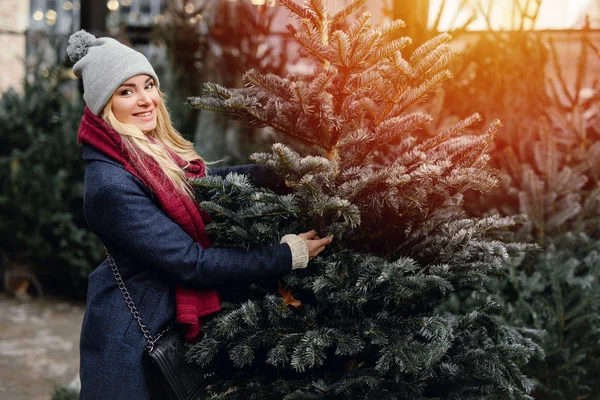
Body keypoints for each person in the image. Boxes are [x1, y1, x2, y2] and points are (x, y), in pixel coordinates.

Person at [66, 30, 333, 400]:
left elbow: (201, 183)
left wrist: (276, 171)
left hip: (163, 317)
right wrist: (287, 255)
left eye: (148, 85)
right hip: (132, 340)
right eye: (126, 91)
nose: (146, 100)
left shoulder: (145, 151)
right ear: (104, 105)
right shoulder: (110, 184)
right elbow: (193, 263)